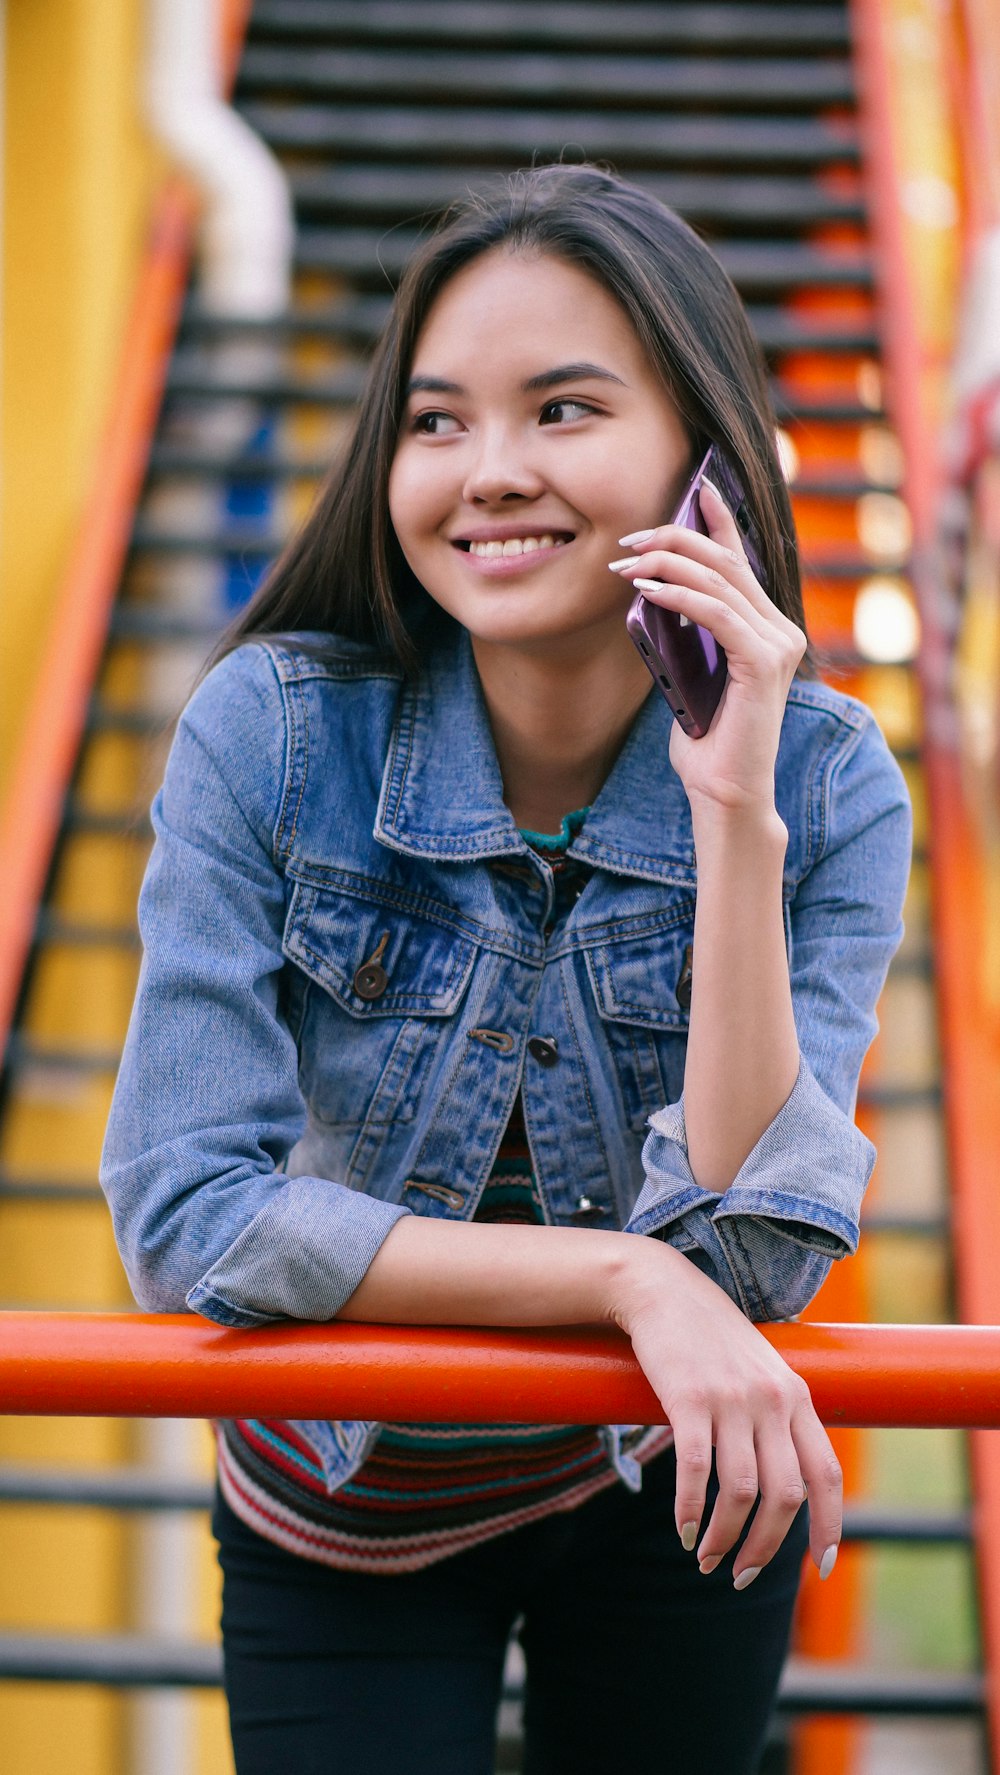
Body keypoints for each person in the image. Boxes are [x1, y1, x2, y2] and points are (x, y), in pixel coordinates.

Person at [101, 164, 912, 1775]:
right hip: (346, 1490)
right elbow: (187, 1210)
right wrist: (623, 1274)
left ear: (709, 468)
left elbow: (754, 1259)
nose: (491, 475)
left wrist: (731, 809)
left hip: (680, 1475)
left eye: (563, 410)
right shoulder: (271, 736)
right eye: (438, 420)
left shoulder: (822, 783)